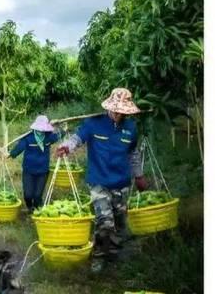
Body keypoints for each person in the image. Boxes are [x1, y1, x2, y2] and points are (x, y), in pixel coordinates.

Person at [56, 87, 147, 273]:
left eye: (122, 111)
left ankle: (114, 253)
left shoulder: (130, 128)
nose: (118, 114)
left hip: (121, 182)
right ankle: (98, 256)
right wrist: (66, 146)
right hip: (99, 181)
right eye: (116, 110)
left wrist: (139, 176)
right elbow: (77, 138)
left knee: (119, 222)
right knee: (104, 222)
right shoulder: (93, 123)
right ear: (109, 107)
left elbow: (133, 153)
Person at [8, 115, 60, 212]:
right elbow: (19, 148)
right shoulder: (28, 138)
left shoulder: (49, 137)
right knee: (28, 195)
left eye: (43, 129)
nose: (41, 131)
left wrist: (61, 127)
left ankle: (37, 209)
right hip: (29, 170)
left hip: (43, 170)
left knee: (37, 195)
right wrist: (10, 154)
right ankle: (29, 207)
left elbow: (59, 135)